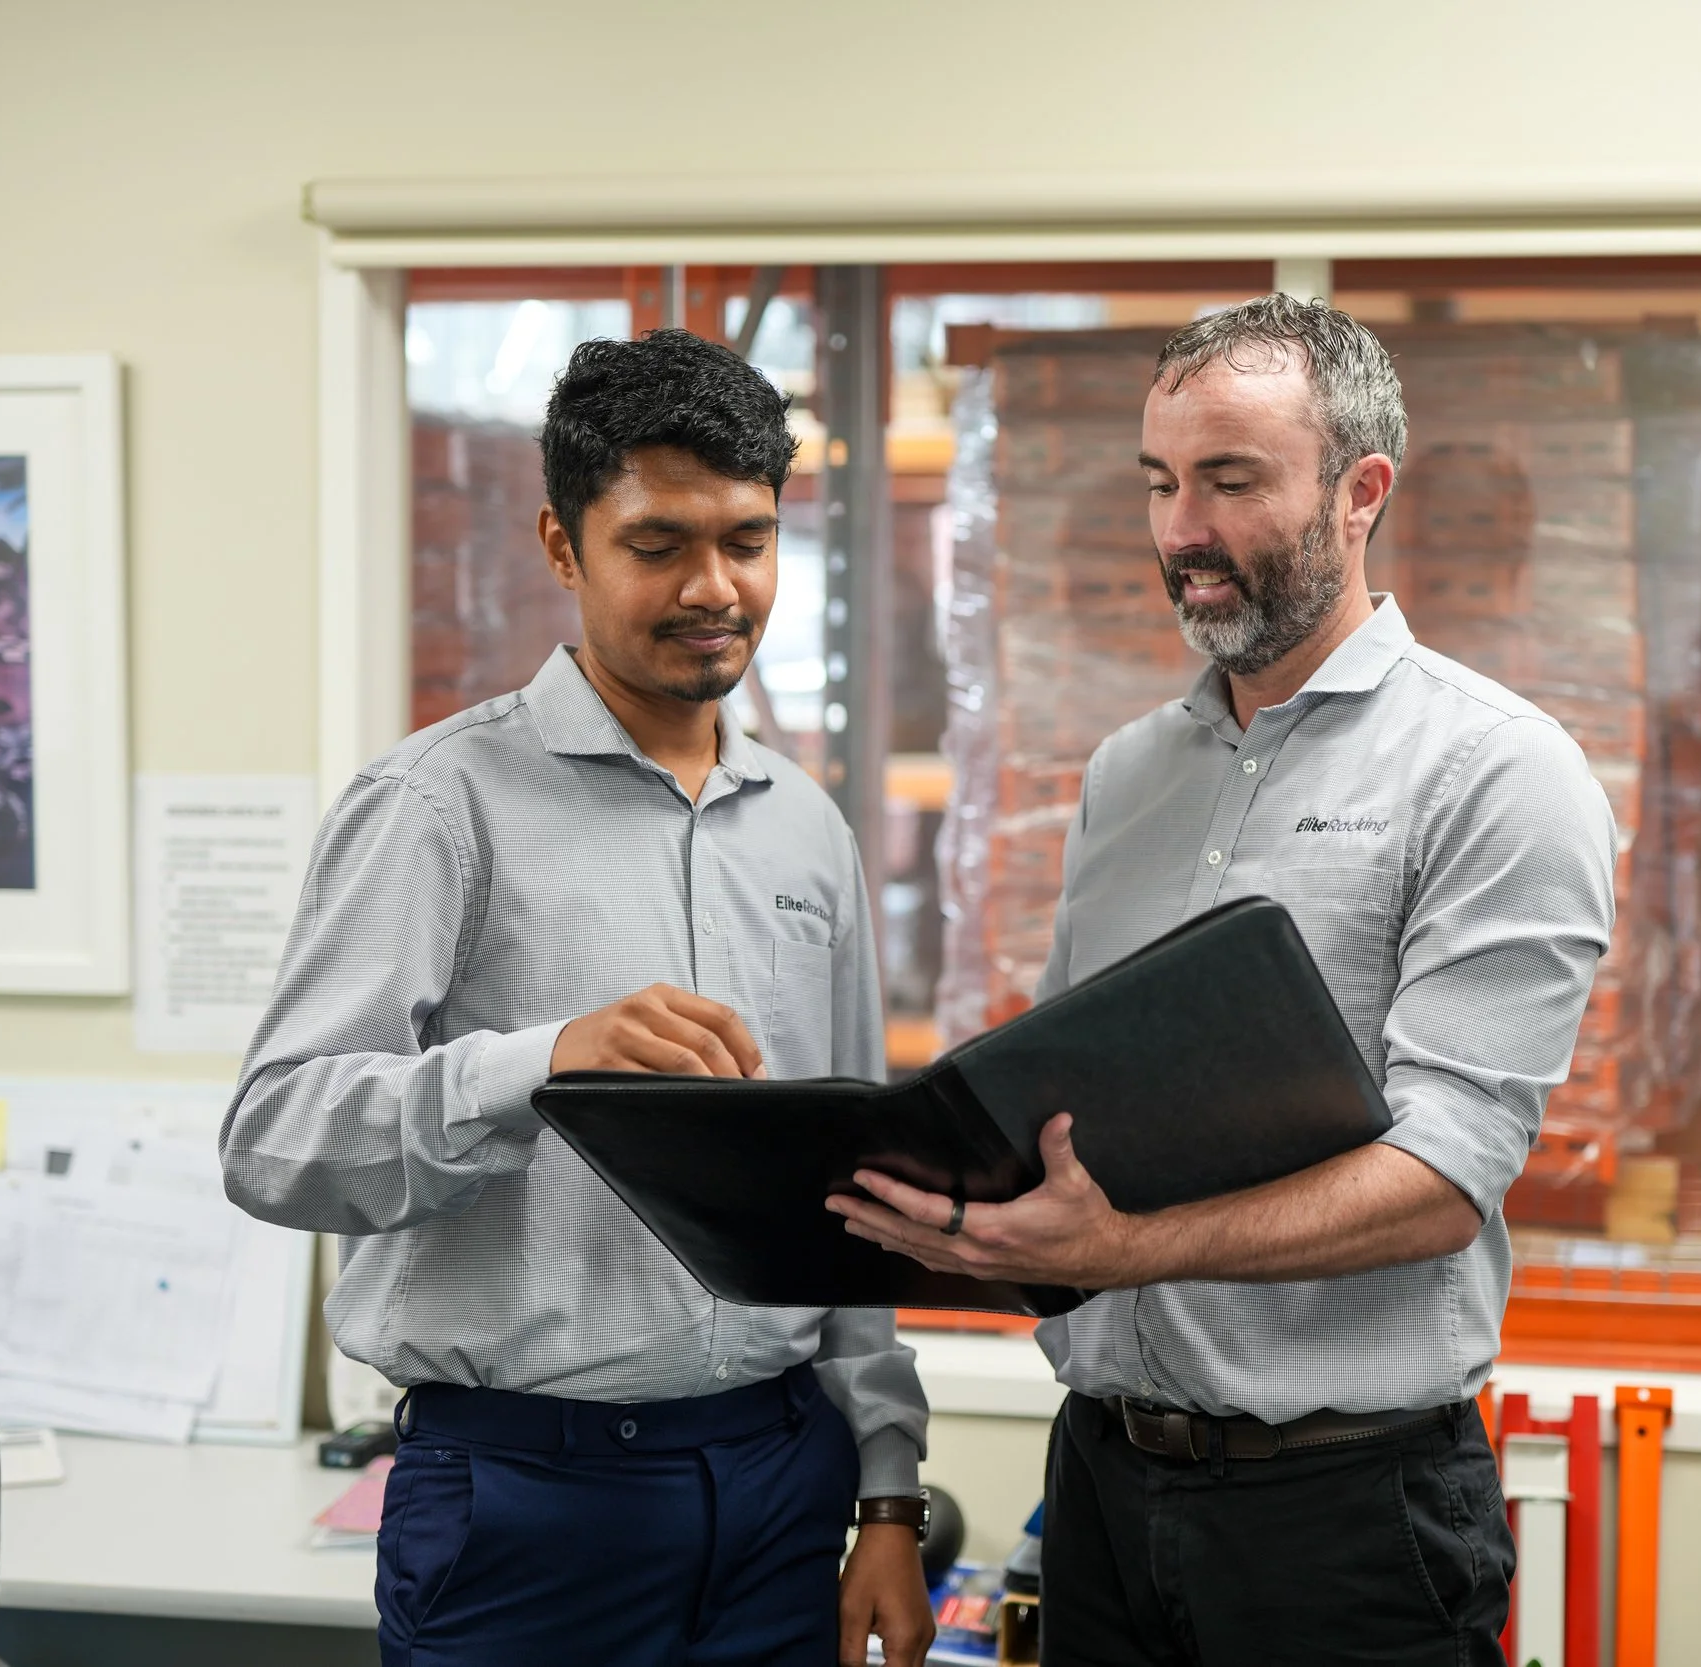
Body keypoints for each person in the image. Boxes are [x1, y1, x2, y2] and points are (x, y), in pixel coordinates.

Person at [832, 295, 1617, 1666]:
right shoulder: (1132, 774)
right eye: (1161, 482)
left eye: (1231, 481)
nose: (1180, 530)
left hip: (1347, 1520)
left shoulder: (1497, 771)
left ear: (1361, 492)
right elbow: (1073, 1105)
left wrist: (1115, 1251)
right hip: (1103, 1485)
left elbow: (1444, 1178)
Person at [223, 330, 934, 1667]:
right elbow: (273, 1139)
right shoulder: (437, 803)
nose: (713, 585)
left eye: (746, 537)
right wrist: (544, 1063)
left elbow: (847, 1188)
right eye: (657, 543)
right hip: (524, 1503)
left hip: (785, 1484)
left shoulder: (806, 829)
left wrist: (887, 1486)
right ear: (563, 546)